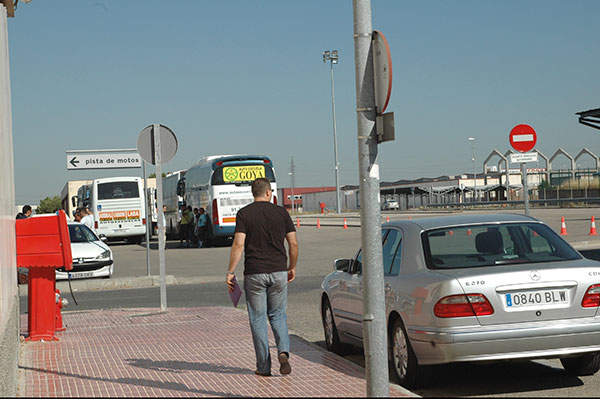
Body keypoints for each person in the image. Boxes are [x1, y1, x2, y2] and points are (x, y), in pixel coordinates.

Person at [226, 178, 298, 377]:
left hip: (254, 272)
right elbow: (293, 244)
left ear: (253, 193)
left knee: (258, 318)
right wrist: (292, 267)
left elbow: (239, 244)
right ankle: (283, 351)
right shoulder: (282, 212)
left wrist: (230, 271)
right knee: (278, 314)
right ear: (268, 193)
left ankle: (264, 367)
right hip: (279, 270)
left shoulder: (244, 214)